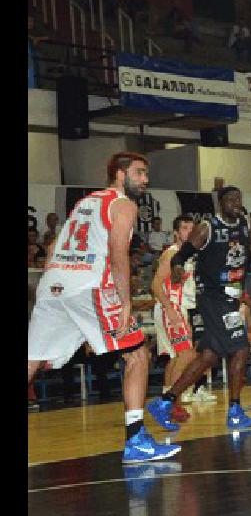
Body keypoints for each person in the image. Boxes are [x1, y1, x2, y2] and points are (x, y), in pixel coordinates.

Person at [28, 152, 180, 463]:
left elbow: (55, 246)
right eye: (139, 173)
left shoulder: (85, 202)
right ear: (120, 174)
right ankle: (136, 439)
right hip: (88, 285)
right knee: (138, 354)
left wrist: (57, 281)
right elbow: (117, 254)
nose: (145, 180)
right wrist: (125, 302)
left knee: (32, 360)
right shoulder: (123, 204)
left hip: (54, 282)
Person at [147, 186, 251, 432]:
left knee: (209, 356)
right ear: (220, 204)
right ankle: (234, 410)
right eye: (230, 199)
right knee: (242, 348)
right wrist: (178, 269)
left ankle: (165, 402)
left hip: (230, 296)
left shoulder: (245, 223)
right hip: (213, 297)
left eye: (239, 199)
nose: (235, 202)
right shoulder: (208, 227)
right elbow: (181, 256)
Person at [151, 214, 198, 423]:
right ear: (176, 233)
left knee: (175, 357)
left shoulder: (189, 255)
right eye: (185, 228)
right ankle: (170, 402)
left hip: (178, 307)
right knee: (187, 355)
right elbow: (155, 285)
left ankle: (167, 401)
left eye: (192, 228)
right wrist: (170, 310)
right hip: (171, 306)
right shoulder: (171, 254)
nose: (189, 231)